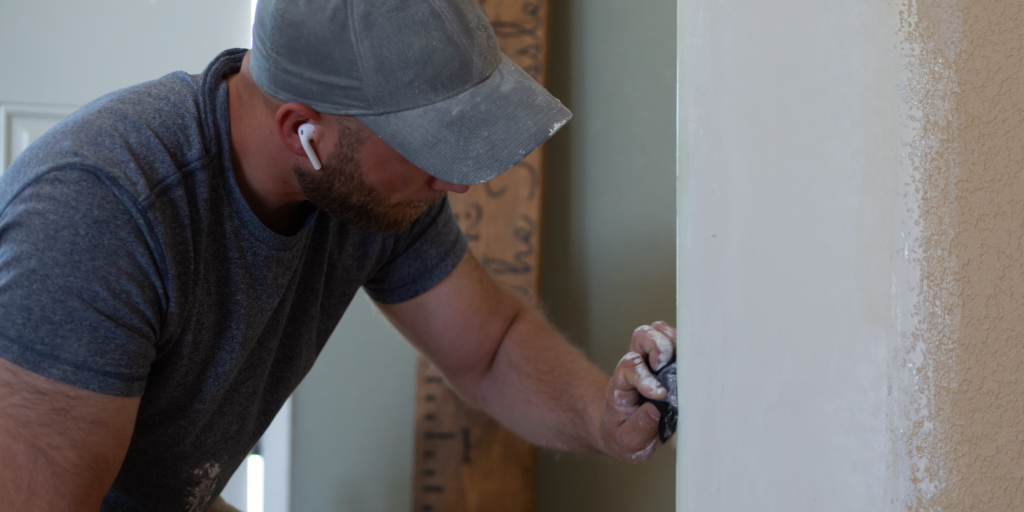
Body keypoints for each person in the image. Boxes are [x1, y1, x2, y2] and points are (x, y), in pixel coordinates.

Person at [0, 0, 676, 510]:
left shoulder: (373, 192)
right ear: (304, 132)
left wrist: (606, 418)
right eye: (424, 146)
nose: (458, 182)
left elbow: (490, 348)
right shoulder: (101, 211)